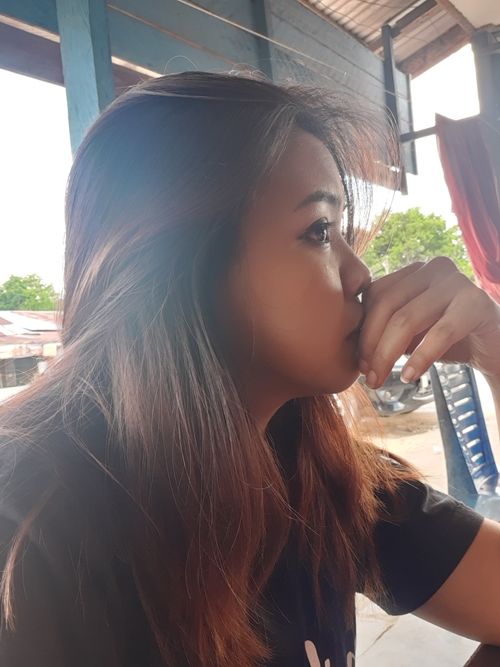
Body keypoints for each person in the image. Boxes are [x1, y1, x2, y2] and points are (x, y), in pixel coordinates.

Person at [0, 71, 499, 667]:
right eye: (320, 231)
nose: (360, 273)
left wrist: (494, 350)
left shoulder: (319, 473)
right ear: (180, 260)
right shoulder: (31, 521)